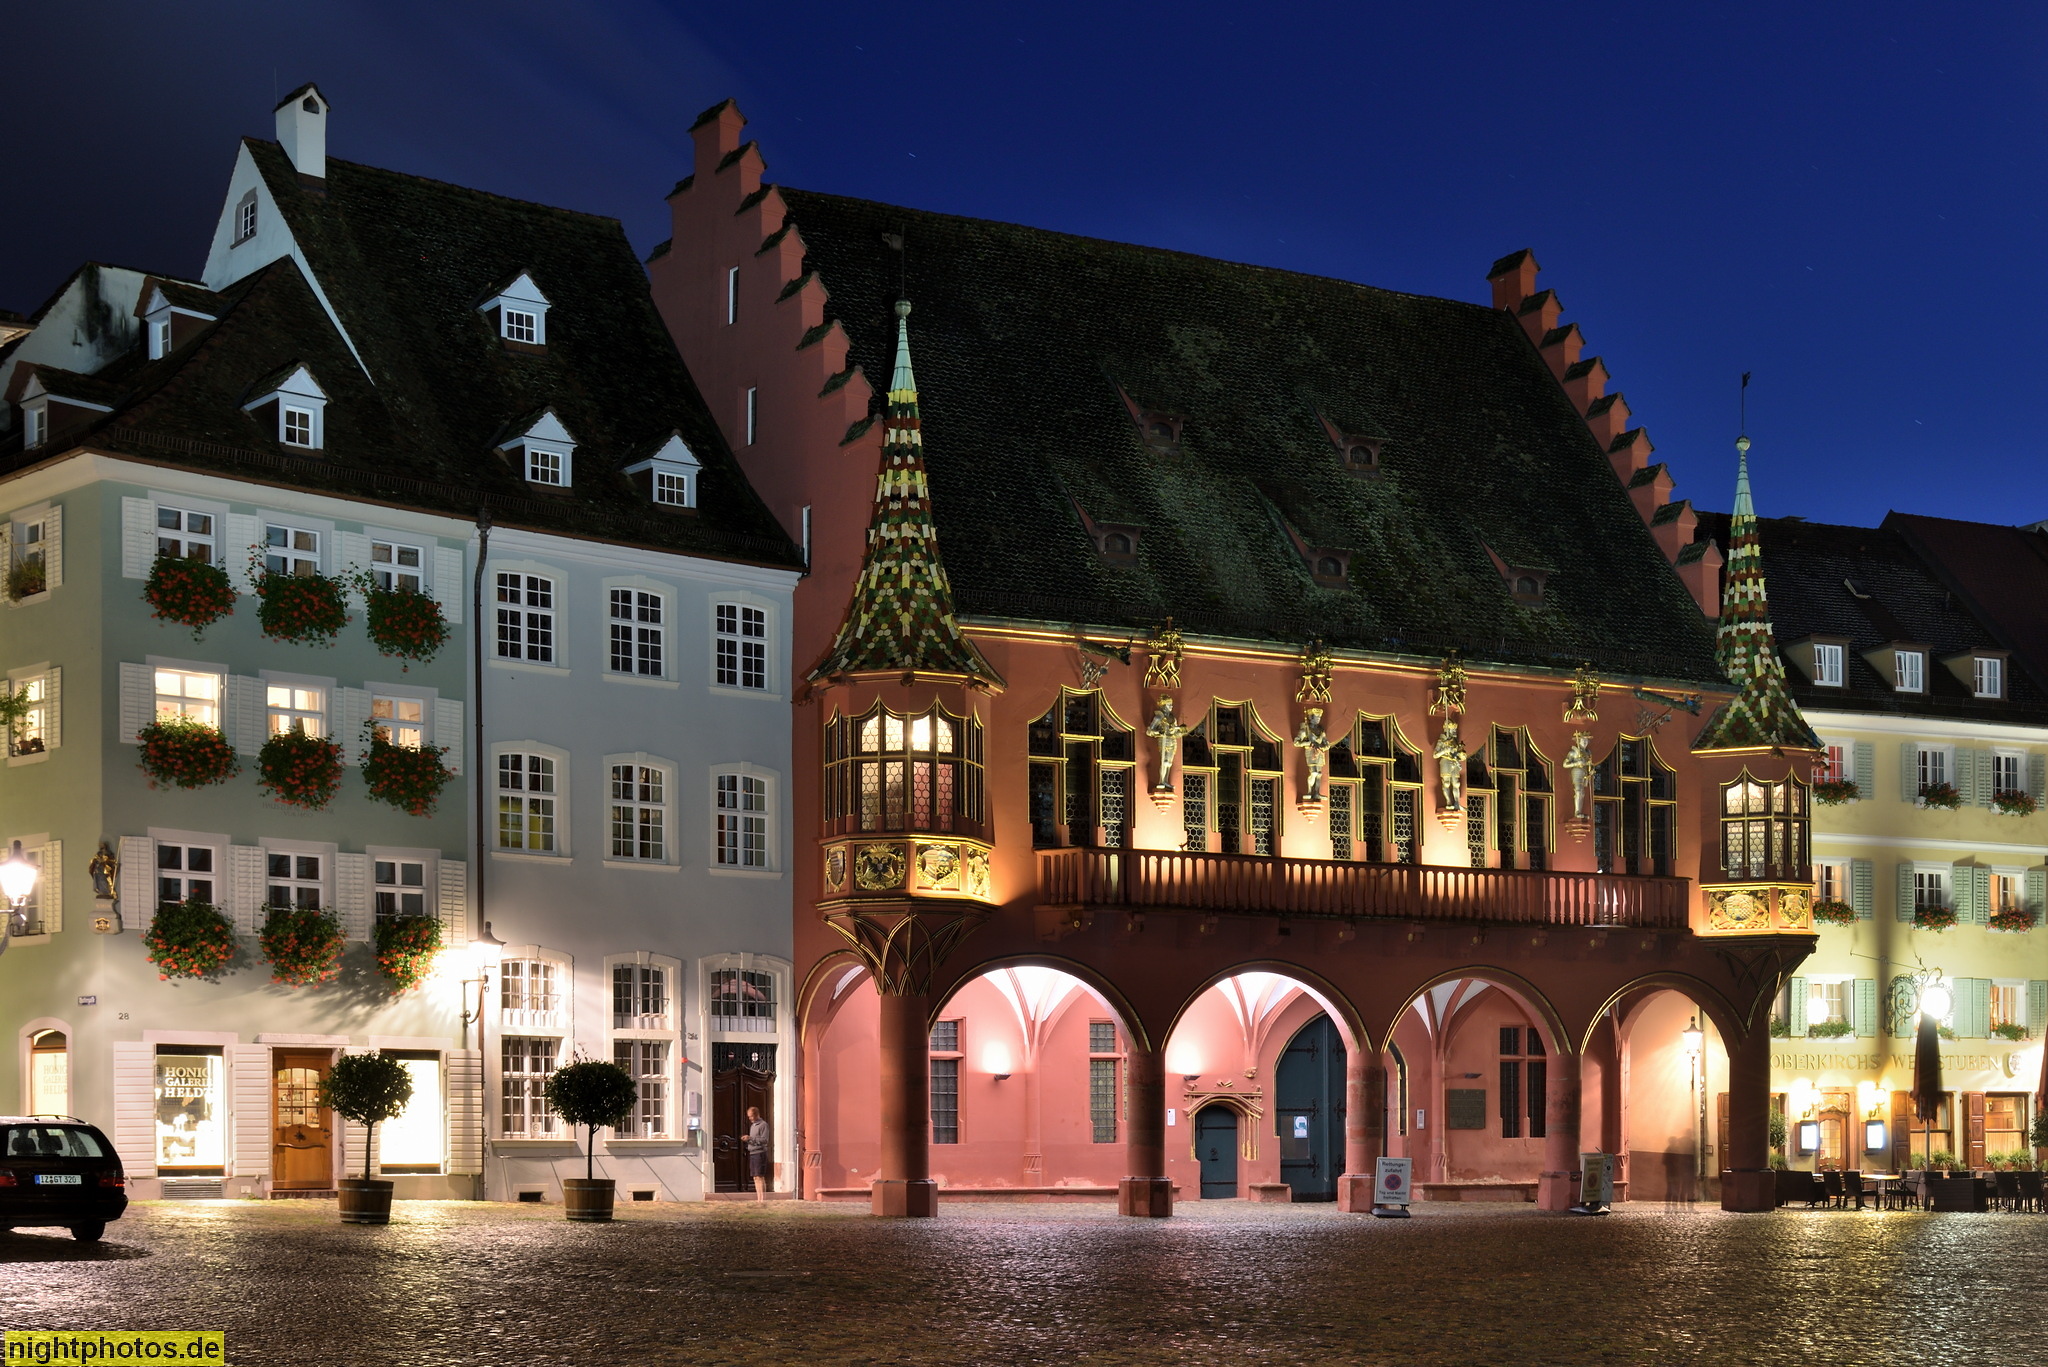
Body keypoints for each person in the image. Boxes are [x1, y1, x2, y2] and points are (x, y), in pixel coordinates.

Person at [745, 1106, 771, 1201]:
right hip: (752, 1152)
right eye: (749, 1116)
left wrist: (751, 1138)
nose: (750, 1118)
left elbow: (765, 1140)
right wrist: (748, 1139)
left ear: (756, 1115)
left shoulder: (763, 1125)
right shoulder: (753, 1126)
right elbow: (754, 1140)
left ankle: (762, 1199)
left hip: (760, 1153)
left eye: (751, 1116)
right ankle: (758, 1198)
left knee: (760, 1176)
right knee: (755, 1177)